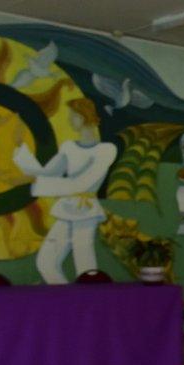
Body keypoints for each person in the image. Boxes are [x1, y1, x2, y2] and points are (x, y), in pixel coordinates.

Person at [11, 98, 116, 284]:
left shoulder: (106, 150)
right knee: (46, 262)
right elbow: (47, 173)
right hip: (67, 209)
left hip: (86, 211)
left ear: (85, 117)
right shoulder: (68, 147)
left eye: (73, 116)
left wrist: (35, 180)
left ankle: (89, 305)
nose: (69, 120)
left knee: (85, 267)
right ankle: (66, 301)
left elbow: (82, 184)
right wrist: (20, 146)